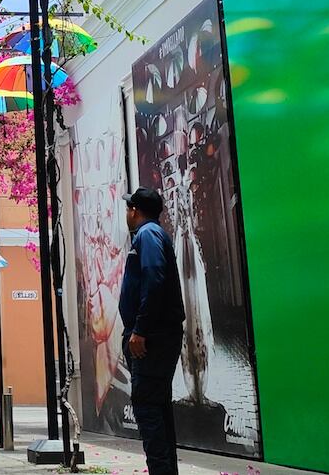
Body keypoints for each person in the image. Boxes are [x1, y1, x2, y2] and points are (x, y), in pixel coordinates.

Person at [121, 187, 186, 475]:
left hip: (152, 338)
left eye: (128, 208)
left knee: (148, 409)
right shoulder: (155, 235)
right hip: (160, 335)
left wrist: (140, 330)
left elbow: (154, 279)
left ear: (135, 210)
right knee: (157, 410)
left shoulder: (147, 235)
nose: (126, 213)